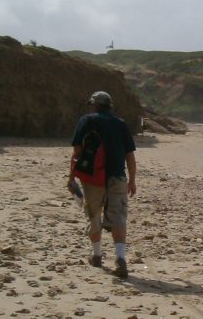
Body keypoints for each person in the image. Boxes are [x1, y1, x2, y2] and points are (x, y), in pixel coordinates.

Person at [68, 91, 136, 278]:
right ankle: (120, 259)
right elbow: (130, 155)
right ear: (110, 105)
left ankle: (97, 256)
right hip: (117, 176)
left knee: (94, 214)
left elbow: (77, 150)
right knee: (118, 217)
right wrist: (132, 180)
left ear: (94, 105)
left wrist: (71, 176)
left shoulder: (87, 120)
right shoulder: (120, 124)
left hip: (92, 178)